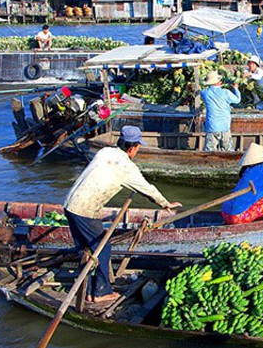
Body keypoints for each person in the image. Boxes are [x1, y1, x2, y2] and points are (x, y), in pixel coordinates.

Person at [63, 126, 182, 303]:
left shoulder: (105, 152)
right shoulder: (127, 167)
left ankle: (88, 290)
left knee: (86, 250)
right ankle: (100, 292)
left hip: (69, 204)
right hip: (84, 209)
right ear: (132, 148)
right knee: (103, 248)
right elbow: (147, 189)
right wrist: (165, 204)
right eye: (138, 148)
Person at [200, 71, 241, 151]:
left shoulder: (205, 93)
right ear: (218, 82)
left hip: (212, 126)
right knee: (228, 150)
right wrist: (236, 89)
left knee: (209, 151)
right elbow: (237, 100)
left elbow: (200, 91)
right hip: (225, 126)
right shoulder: (225, 92)